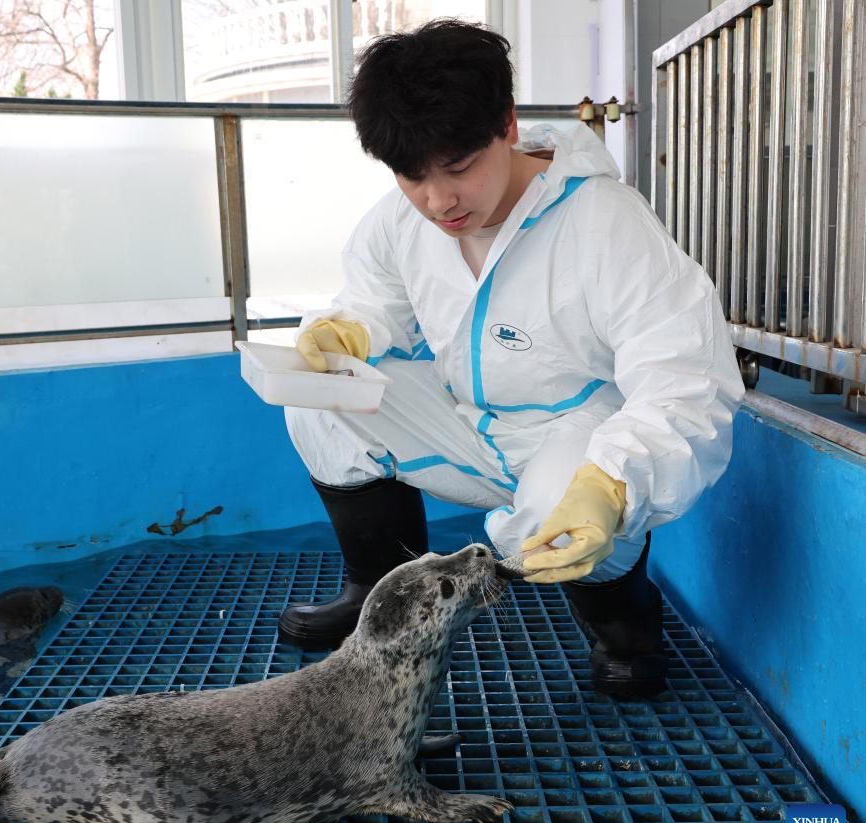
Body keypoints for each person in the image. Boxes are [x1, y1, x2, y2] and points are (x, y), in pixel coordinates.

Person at [278, 19, 744, 699]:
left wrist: (613, 481)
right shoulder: (399, 220)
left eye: (459, 168)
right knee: (317, 400)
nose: (438, 200)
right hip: (464, 420)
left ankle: (625, 627)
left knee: (562, 511)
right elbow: (374, 302)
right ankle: (378, 601)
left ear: (507, 125)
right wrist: (343, 332)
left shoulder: (605, 221)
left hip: (576, 439)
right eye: (412, 175)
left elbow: (686, 377)